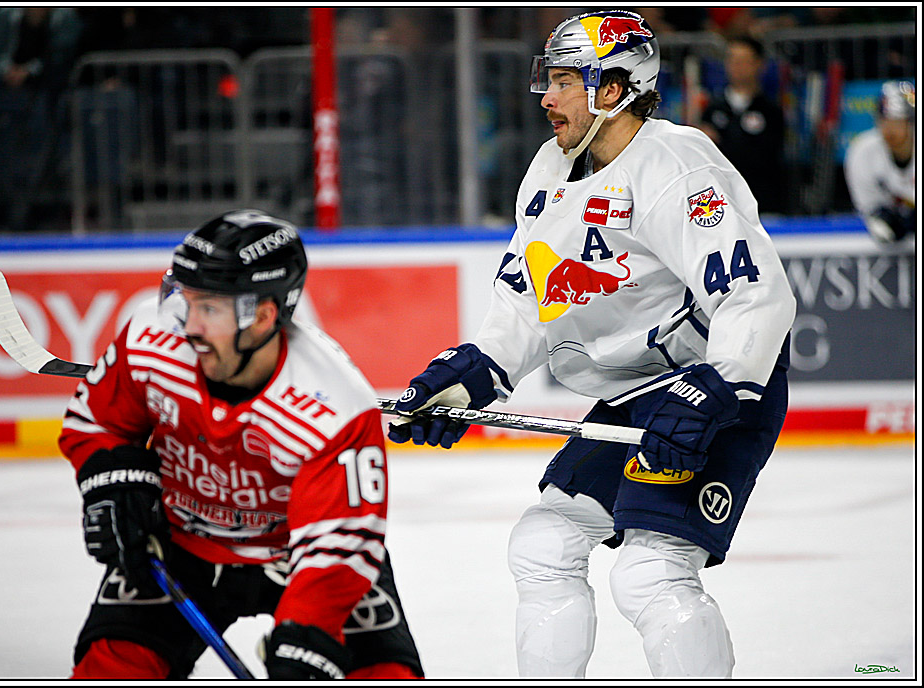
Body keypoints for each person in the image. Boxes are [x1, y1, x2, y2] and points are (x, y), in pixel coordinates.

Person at [389, 10, 796, 678]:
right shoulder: (550, 168)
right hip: (636, 391)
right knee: (543, 542)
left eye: (563, 81)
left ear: (613, 88)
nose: (546, 97)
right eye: (546, 79)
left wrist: (713, 390)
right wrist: (464, 377)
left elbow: (756, 295)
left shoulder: (676, 163)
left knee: (650, 570)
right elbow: (525, 301)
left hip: (719, 384)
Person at [59, 210, 423, 679]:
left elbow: (340, 543)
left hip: (298, 556)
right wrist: (112, 482)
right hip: (179, 545)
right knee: (109, 671)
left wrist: (306, 634)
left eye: (208, 308)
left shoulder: (335, 405)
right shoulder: (150, 339)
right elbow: (96, 423)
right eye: (183, 301)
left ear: (264, 316)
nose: (189, 326)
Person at [699, 36, 786, 214]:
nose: (736, 66)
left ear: (760, 65)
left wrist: (722, 142)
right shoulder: (713, 109)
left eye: (743, 61)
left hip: (762, 202)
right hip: (722, 204)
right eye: (732, 60)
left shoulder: (771, 111)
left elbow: (765, 156)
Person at [843, 80, 915, 244]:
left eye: (897, 121)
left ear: (911, 123)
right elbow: (869, 207)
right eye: (884, 120)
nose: (889, 129)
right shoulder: (863, 151)